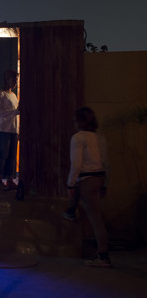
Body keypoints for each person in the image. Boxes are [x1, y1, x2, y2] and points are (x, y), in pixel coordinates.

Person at [62, 107, 110, 267]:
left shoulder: (78, 138)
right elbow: (106, 163)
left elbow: (76, 165)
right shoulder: (100, 138)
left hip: (87, 180)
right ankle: (70, 210)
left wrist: (70, 184)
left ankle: (103, 256)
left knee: (96, 219)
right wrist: (105, 184)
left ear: (79, 121)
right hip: (99, 177)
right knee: (96, 217)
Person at [0, 69, 20, 191]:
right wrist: (15, 111)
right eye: (13, 80)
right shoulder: (0, 94)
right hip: (2, 129)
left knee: (12, 156)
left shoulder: (14, 96)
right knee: (2, 155)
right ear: (7, 80)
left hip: (13, 129)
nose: (15, 83)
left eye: (16, 80)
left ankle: (10, 180)